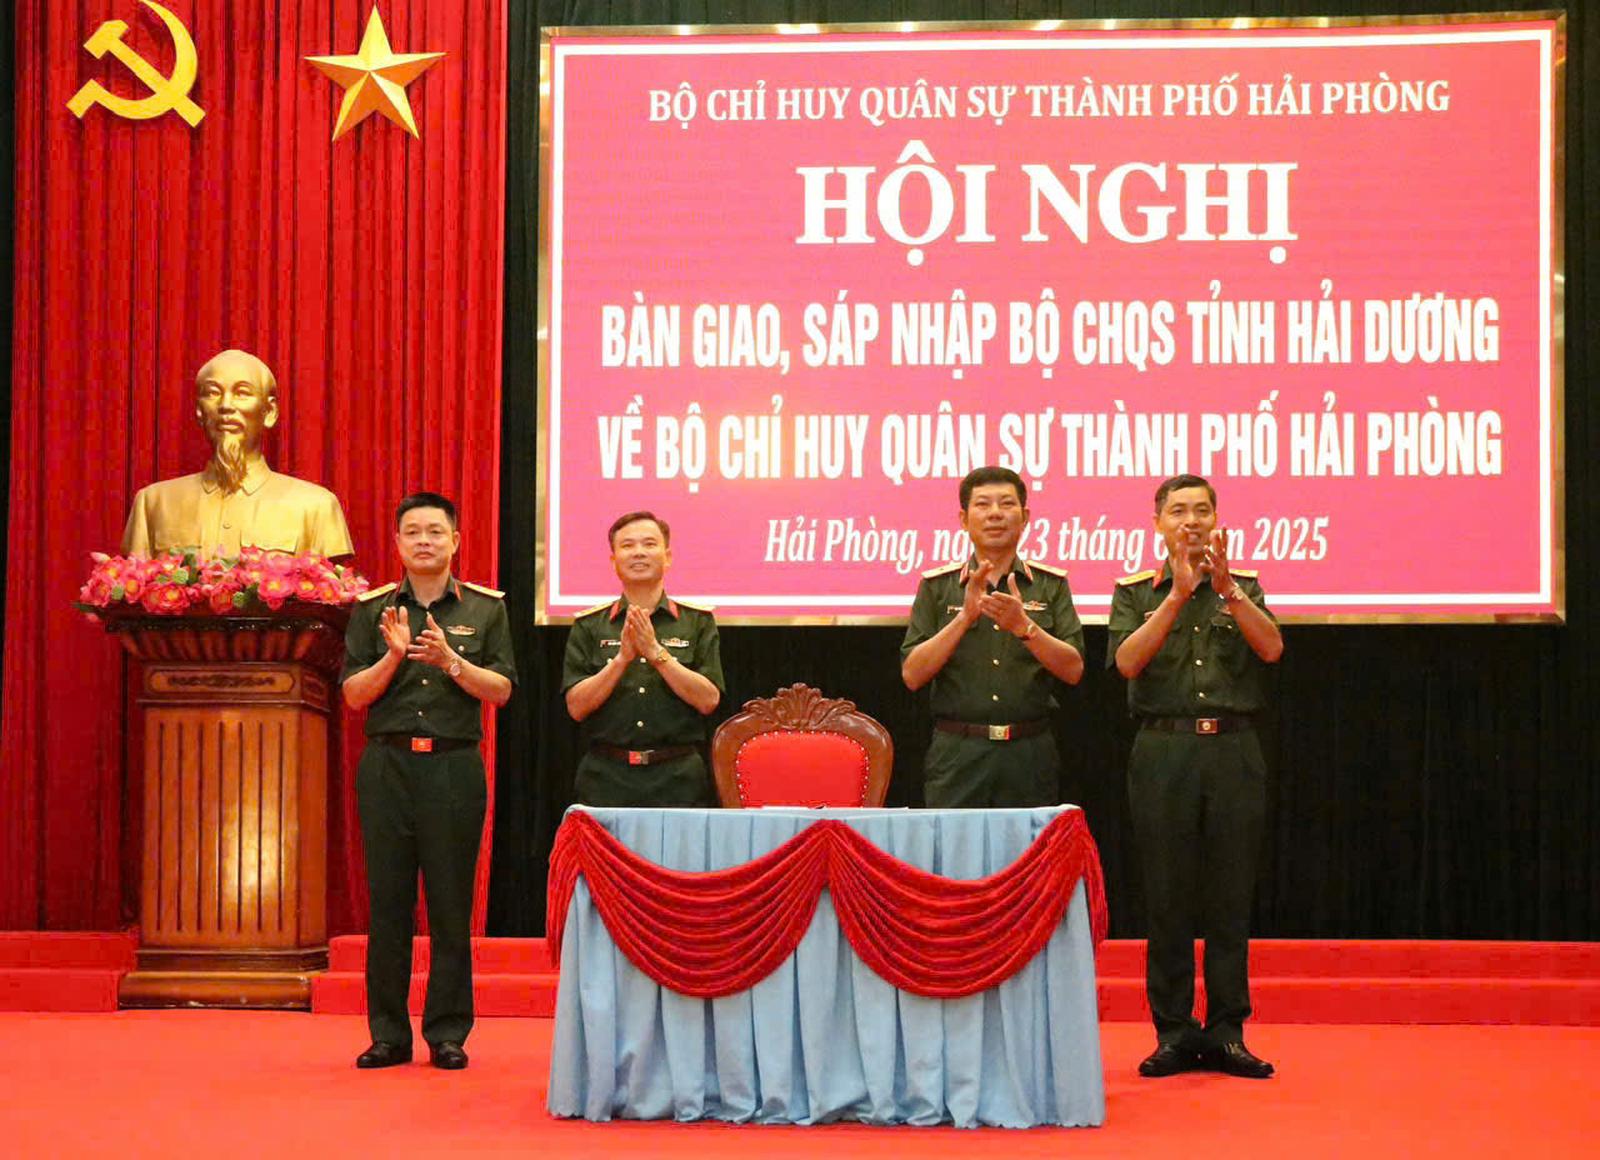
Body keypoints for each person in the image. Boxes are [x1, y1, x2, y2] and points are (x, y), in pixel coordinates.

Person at [1108, 474, 1284, 1080]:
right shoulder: (1136, 591)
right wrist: (1177, 596)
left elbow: (1272, 649)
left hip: (1233, 750)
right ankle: (1175, 1032)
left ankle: (1229, 1031)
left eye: (1202, 510)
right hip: (1165, 750)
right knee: (1168, 897)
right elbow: (1127, 661)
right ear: (1158, 523)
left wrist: (1227, 589)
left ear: (1216, 519)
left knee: (1231, 896)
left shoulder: (1244, 586)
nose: (1191, 521)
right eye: (1179, 511)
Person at [341, 492, 515, 1071]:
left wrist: (451, 662)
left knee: (449, 904)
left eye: (435, 531)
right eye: (412, 531)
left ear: (455, 541)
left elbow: (502, 690)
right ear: (397, 543)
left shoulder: (486, 609)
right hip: (387, 768)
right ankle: (388, 1035)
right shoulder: (372, 610)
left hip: (453, 768)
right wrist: (393, 657)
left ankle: (447, 1033)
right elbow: (353, 694)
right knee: (388, 905)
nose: (424, 541)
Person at [901, 466, 1085, 807]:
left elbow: (1073, 670)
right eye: (983, 504)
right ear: (964, 519)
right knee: (955, 843)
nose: (995, 514)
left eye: (1006, 504)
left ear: (1025, 517)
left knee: (1029, 844)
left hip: (1029, 753)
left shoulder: (1051, 585)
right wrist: (964, 619)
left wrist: (1025, 627)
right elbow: (913, 675)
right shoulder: (937, 586)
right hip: (957, 753)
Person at [121, 349, 354, 559]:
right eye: (212, 393)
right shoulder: (152, 503)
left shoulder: (316, 507)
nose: (226, 405)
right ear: (199, 411)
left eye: (242, 393)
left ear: (269, 412)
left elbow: (331, 588)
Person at [563, 511, 723, 806]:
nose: (638, 552)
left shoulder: (697, 621)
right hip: (605, 777)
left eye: (649, 544)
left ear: (668, 557)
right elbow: (576, 707)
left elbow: (708, 700)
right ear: (613, 561)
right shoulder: (590, 625)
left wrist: (656, 653)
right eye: (627, 545)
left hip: (678, 778)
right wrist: (621, 660)